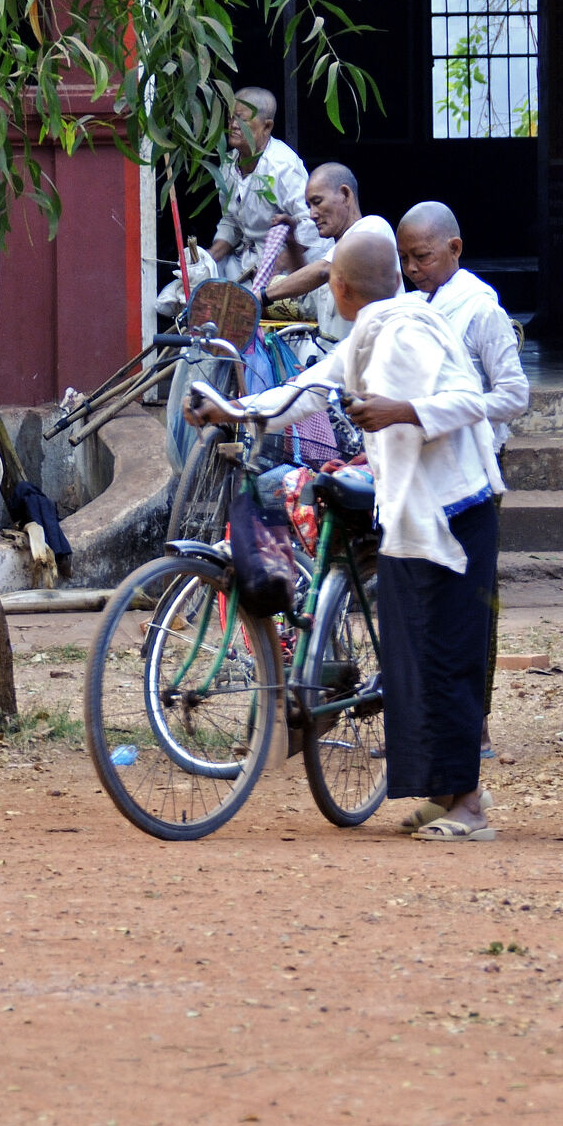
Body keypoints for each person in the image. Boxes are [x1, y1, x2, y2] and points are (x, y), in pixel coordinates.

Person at [188, 226, 501, 840]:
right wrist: (234, 410)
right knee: (413, 659)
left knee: (446, 658)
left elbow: (471, 399)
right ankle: (446, 795)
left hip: (457, 511)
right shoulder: (371, 334)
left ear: (337, 287)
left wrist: (400, 411)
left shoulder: (408, 328)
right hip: (414, 515)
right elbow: (305, 393)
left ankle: (469, 807)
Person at [397, 201, 529, 758]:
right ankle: (421, 721)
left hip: (472, 474)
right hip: (416, 471)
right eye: (404, 259)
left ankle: (476, 722)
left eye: (421, 257)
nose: (411, 269)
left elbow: (514, 394)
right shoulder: (406, 307)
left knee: (474, 599)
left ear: (454, 249)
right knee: (418, 598)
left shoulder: (480, 311)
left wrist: (449, 411)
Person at [202, 86, 318, 289]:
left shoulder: (282, 166)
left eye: (242, 119)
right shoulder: (228, 164)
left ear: (267, 127)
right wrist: (208, 259)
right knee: (194, 287)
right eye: (230, 118)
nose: (233, 125)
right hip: (245, 263)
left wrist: (270, 271)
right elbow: (231, 221)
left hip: (287, 265)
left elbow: (310, 224)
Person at [265, 163, 369, 342]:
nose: (312, 214)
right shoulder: (331, 252)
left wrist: (262, 296)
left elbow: (323, 270)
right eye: (309, 206)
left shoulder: (372, 229)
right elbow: (304, 298)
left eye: (317, 202)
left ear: (345, 195)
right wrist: (292, 242)